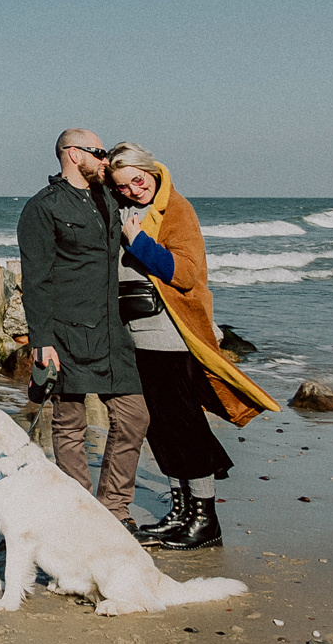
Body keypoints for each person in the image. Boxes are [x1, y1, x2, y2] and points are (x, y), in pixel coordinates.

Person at [103, 142, 281, 549]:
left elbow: (185, 273)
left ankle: (205, 519)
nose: (133, 189)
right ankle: (182, 512)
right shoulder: (124, 206)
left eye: (137, 179)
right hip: (138, 336)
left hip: (170, 335)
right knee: (161, 427)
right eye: (123, 186)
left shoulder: (175, 209)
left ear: (150, 171)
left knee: (183, 425)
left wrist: (139, 242)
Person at [15, 128, 151, 522]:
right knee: (70, 425)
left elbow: (148, 180)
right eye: (99, 152)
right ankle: (80, 514)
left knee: (134, 416)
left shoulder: (109, 196)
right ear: (74, 154)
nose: (106, 159)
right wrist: (42, 341)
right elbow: (35, 279)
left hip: (113, 331)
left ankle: (113, 507)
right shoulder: (42, 208)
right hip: (67, 332)